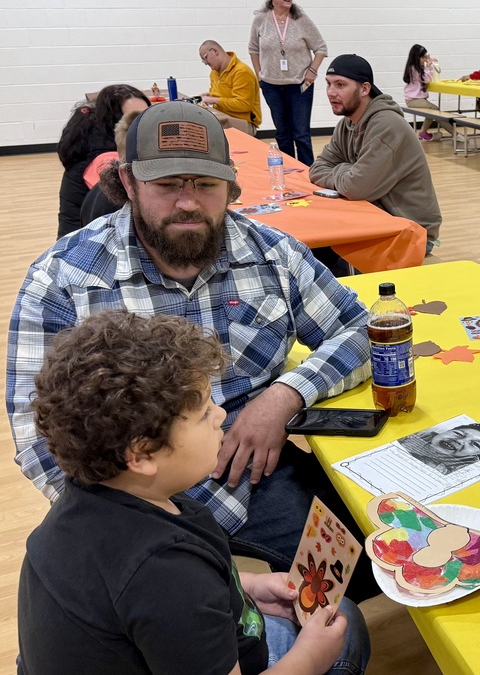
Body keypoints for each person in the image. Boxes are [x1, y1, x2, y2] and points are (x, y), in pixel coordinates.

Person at [8, 102, 380, 601]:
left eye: (205, 185)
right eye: (168, 184)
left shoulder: (272, 253)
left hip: (258, 474)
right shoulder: (63, 278)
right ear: (129, 182)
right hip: (133, 496)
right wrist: (139, 519)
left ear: (230, 186)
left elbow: (363, 331)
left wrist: (285, 395)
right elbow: (38, 436)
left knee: (368, 560)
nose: (188, 203)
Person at [18, 310, 370, 674]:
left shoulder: (93, 501)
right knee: (344, 632)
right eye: (203, 413)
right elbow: (174, 596)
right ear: (141, 454)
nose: (221, 416)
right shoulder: (166, 574)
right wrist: (312, 656)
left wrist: (247, 585)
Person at [309, 54, 442, 253]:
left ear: (364, 89)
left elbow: (355, 188)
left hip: (410, 231)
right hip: (376, 217)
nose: (331, 92)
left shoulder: (387, 126)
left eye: (340, 85)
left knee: (319, 254)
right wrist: (349, 172)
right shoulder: (346, 124)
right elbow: (317, 169)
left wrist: (344, 171)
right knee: (313, 242)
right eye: (328, 84)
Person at [249, 0, 328, 166]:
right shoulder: (261, 20)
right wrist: (260, 74)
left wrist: (312, 71)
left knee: (301, 133)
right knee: (282, 133)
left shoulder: (300, 19)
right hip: (271, 85)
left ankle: (309, 172)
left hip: (300, 84)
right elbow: (253, 48)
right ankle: (290, 172)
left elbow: (321, 48)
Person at [56, 84, 150, 237]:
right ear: (114, 121)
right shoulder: (104, 161)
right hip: (83, 246)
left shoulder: (94, 143)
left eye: (146, 116)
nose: (144, 125)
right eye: (133, 118)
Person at [199, 39, 262, 135]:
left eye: (205, 57)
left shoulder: (242, 72)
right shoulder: (214, 73)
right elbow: (222, 96)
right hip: (223, 118)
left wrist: (213, 100)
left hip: (242, 122)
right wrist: (211, 96)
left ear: (215, 51)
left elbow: (243, 105)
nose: (205, 63)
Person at [398, 423, 480, 475]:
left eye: (475, 444)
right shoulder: (420, 434)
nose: (459, 441)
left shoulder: (467, 466)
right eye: (458, 433)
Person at [403, 43, 455, 141]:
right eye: (423, 58)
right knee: (435, 110)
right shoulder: (413, 69)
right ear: (416, 58)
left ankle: (423, 132)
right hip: (413, 100)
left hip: (418, 99)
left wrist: (428, 64)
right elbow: (427, 79)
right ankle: (454, 133)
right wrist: (429, 66)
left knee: (433, 111)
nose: (425, 60)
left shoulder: (417, 68)